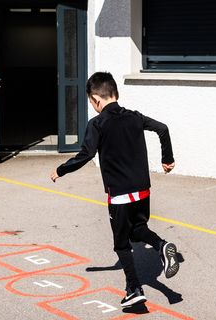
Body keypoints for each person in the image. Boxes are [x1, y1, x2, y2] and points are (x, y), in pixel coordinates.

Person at [50, 71, 179, 307]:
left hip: (119, 195)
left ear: (96, 100)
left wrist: (61, 170)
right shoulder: (134, 117)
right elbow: (163, 128)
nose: (93, 107)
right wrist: (167, 158)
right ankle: (162, 246)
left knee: (121, 243)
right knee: (138, 229)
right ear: (115, 94)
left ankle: (134, 288)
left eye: (91, 102)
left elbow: (86, 154)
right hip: (142, 190)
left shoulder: (97, 124)